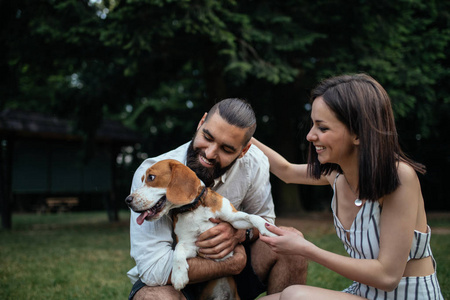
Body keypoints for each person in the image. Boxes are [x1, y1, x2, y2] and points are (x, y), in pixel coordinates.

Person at [252, 74, 444, 300]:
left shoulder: (399, 177)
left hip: (407, 296)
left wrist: (306, 249)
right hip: (364, 293)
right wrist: (240, 134)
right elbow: (286, 171)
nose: (310, 135)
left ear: (358, 133)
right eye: (313, 124)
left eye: (322, 128)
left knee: (294, 295)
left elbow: (387, 277)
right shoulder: (338, 177)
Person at [127, 98, 308, 300]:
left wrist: (240, 233)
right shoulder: (152, 173)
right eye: (207, 136)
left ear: (244, 150)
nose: (209, 153)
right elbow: (154, 270)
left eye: (227, 149)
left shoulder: (254, 163)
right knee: (153, 298)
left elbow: (265, 221)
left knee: (292, 245)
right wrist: (232, 263)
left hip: (233, 277)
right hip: (174, 279)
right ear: (201, 122)